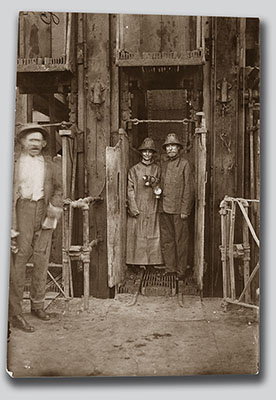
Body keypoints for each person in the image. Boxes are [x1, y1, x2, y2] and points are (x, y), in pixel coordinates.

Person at [9, 123, 63, 333]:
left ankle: (38, 305)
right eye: (30, 140)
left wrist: (54, 207)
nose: (34, 144)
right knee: (19, 261)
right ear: (22, 142)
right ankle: (15, 313)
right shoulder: (12, 163)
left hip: (44, 210)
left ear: (44, 143)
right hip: (21, 210)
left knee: (42, 258)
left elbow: (59, 189)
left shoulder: (50, 165)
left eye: (38, 140)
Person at [159, 133, 194, 279]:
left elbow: (189, 189)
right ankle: (170, 268)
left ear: (179, 148)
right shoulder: (164, 164)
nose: (170, 149)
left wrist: (185, 209)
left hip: (179, 210)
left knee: (181, 240)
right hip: (164, 208)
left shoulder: (185, 164)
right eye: (168, 146)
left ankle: (181, 271)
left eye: (173, 146)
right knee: (167, 240)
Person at [126, 137, 163, 268]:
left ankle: (152, 262)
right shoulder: (134, 170)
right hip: (138, 204)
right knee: (137, 234)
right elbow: (130, 190)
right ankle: (136, 263)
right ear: (141, 153)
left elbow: (160, 187)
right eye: (145, 151)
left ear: (153, 153)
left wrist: (155, 186)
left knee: (153, 232)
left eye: (150, 151)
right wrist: (133, 207)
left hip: (153, 204)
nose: (147, 154)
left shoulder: (158, 169)